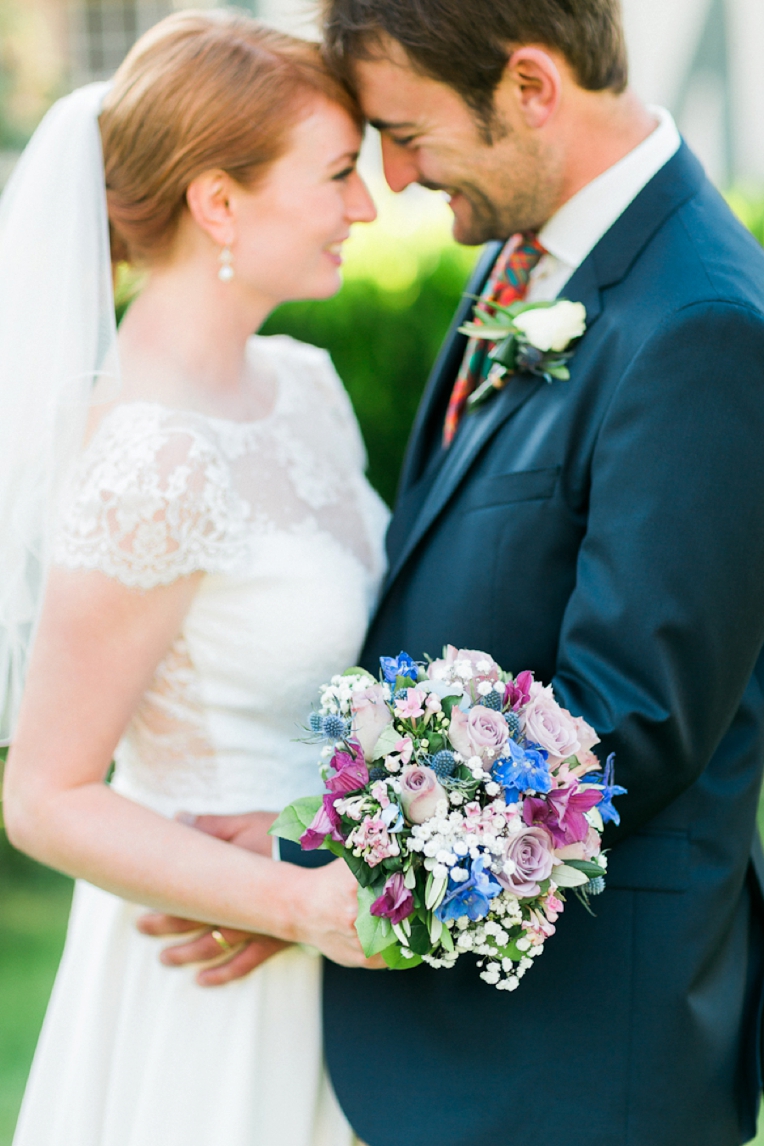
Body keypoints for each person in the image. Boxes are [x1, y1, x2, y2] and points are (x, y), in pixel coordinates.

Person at [146, 1, 764, 1144]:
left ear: (528, 89)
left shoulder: (700, 323)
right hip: (469, 1050)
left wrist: (319, 865)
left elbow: (624, 722)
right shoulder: (526, 253)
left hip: (579, 1069)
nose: (389, 174)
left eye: (405, 129)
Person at [1, 10, 388, 1146]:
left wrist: (344, 852)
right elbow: (46, 794)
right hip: (213, 985)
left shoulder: (305, 385)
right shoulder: (150, 456)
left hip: (345, 964)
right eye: (334, 173)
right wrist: (298, 899)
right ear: (218, 202)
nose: (363, 206)